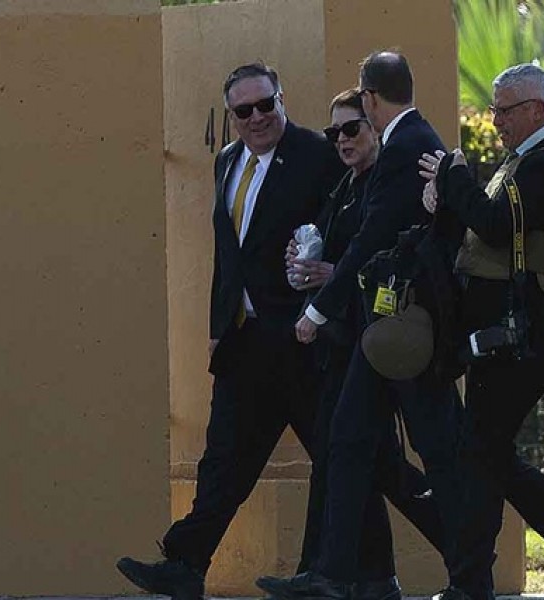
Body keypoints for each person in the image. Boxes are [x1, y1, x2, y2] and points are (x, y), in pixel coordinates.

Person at [115, 62, 346, 600]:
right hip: (245, 341)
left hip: (301, 338)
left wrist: (322, 305)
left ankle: (430, 558)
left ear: (281, 99)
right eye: (245, 110)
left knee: (347, 456)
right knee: (224, 460)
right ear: (233, 117)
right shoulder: (227, 162)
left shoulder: (316, 156)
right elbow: (230, 255)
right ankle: (185, 566)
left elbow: (344, 234)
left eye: (267, 104)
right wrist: (220, 324)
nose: (258, 117)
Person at [419, 62, 544, 600]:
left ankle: (477, 580)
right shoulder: (519, 163)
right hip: (498, 332)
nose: (495, 119)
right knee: (485, 449)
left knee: (481, 448)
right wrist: (444, 199)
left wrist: (453, 176)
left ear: (536, 110)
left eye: (503, 110)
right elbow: (484, 232)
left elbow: (496, 223)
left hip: (525, 333)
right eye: (494, 110)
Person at [286, 51, 464, 600]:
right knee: (349, 440)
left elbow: (371, 241)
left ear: (369, 98)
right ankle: (334, 574)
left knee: (440, 452)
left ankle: (471, 572)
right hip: (381, 326)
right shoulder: (410, 144)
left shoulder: (407, 147)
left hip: (403, 327)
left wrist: (318, 309)